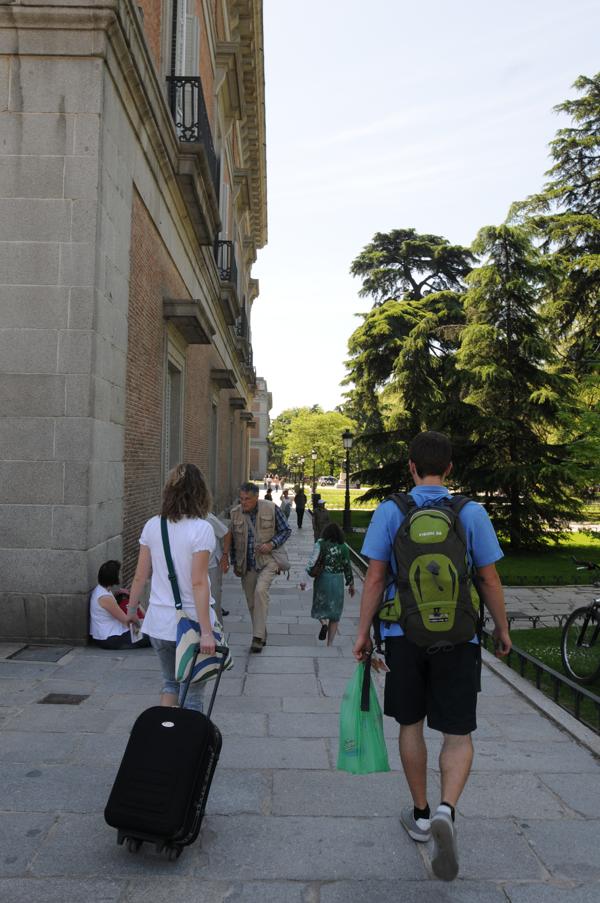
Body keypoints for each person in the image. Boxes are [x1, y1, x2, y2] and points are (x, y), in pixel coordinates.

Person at [352, 430, 511, 882]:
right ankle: (447, 809)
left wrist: (362, 633)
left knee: (410, 725)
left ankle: (421, 815)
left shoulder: (391, 511)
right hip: (460, 638)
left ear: (411, 467)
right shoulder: (471, 513)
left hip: (404, 635)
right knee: (458, 733)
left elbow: (375, 578)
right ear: (450, 469)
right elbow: (489, 579)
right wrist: (501, 628)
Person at [127, 463, 217, 712]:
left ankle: (166, 740)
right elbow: (198, 582)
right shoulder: (202, 529)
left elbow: (139, 576)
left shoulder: (153, 525)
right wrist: (207, 632)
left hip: (159, 622)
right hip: (192, 623)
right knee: (193, 692)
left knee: (170, 684)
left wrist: (132, 610)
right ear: (201, 493)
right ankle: (188, 749)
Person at [226, 481, 292, 653]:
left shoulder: (270, 508)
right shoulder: (235, 513)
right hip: (246, 565)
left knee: (260, 591)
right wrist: (233, 562)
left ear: (256, 498)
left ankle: (256, 638)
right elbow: (231, 539)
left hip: (268, 562)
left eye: (247, 499)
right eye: (241, 499)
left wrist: (271, 544)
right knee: (252, 604)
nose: (243, 502)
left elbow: (286, 530)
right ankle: (261, 634)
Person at [306, 522, 355, 645]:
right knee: (335, 613)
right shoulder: (343, 547)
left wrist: (305, 578)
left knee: (319, 605)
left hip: (323, 578)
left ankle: (323, 623)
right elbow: (347, 566)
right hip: (337, 580)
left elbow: (312, 561)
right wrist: (351, 583)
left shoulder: (321, 544)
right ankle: (330, 644)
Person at [89, 560, 149, 649]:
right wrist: (135, 602)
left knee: (151, 630)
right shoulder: (105, 598)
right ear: (114, 577)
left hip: (111, 633)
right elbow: (128, 621)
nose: (120, 575)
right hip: (110, 638)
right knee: (152, 635)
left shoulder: (101, 589)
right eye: (119, 573)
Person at [206, 512, 231, 622]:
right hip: (194, 569)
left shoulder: (207, 517)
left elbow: (226, 533)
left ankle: (218, 635)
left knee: (214, 602)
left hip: (212, 566)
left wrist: (225, 555)